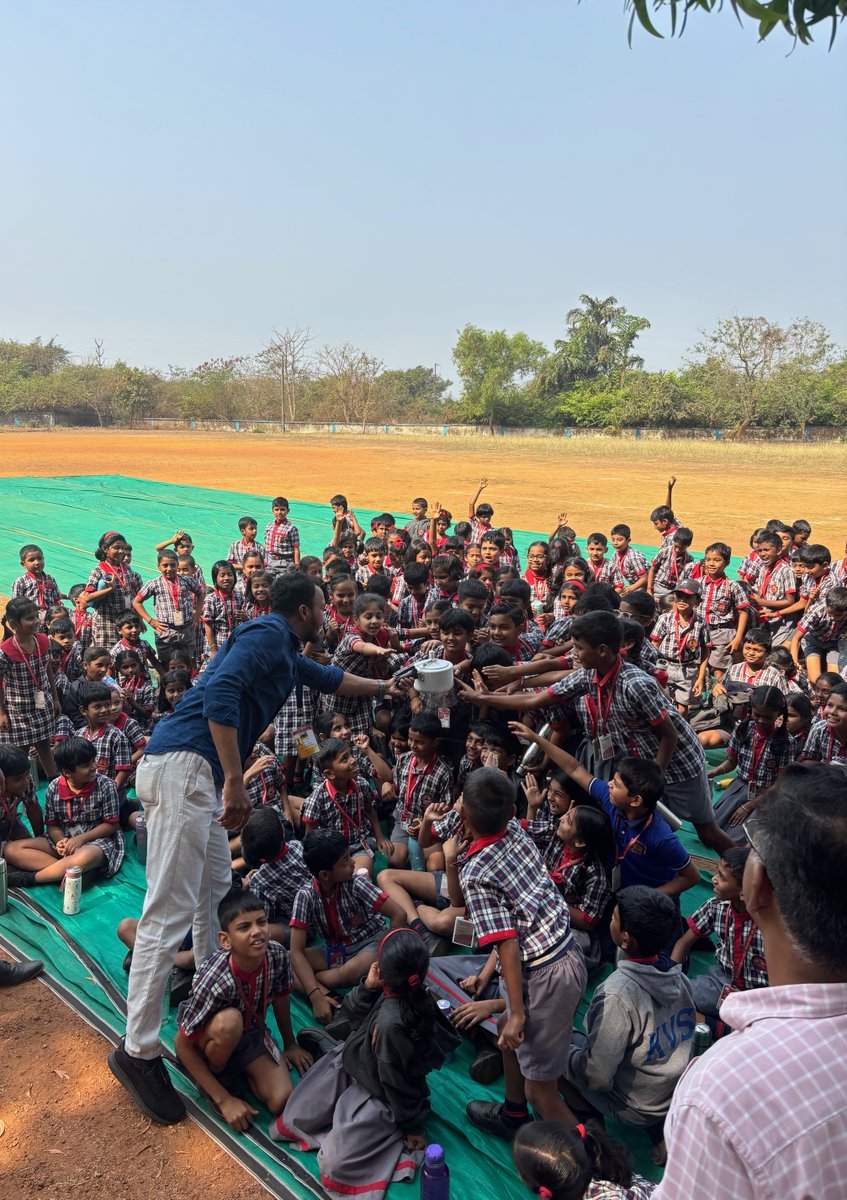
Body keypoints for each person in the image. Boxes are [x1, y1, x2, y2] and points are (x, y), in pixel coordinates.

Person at [108, 571, 403, 1126]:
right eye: (323, 605)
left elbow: (335, 680)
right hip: (187, 768)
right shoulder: (267, 633)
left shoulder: (288, 652)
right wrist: (235, 778)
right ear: (303, 610)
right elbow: (220, 694)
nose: (327, 613)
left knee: (215, 898)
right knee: (165, 914)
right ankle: (138, 1050)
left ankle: (208, 1002)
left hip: (193, 770)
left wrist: (392, 687)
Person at [654, 764, 847, 1199]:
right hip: (728, 984)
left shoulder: (721, 1092)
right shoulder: (720, 913)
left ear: (755, 886)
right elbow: (690, 934)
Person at [458, 611, 732, 854]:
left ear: (602, 650)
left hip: (676, 764)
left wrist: (652, 781)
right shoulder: (588, 675)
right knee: (637, 825)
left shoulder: (636, 684)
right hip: (639, 765)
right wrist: (484, 698)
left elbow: (669, 736)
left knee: (706, 831)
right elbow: (535, 700)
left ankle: (740, 868)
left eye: (578, 647)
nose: (573, 654)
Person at [270, 928, 459, 1200]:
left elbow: (396, 1081)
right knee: (294, 1118)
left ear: (382, 970)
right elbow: (354, 1016)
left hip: (379, 1092)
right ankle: (333, 1049)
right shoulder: (397, 992)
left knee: (335, 1166)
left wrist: (412, 1125)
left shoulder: (391, 1025)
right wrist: (367, 988)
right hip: (354, 1060)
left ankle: (353, 1110)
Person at [459, 768, 588, 1139]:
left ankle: (595, 1167)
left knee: (540, 1090)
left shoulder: (476, 873)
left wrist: (517, 1012)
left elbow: (507, 944)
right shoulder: (514, 827)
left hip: (543, 972)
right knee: (504, 1033)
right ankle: (513, 1116)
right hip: (564, 951)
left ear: (465, 814)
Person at [174, 888, 311, 1131]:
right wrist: (224, 1100)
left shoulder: (277, 955)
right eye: (244, 927)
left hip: (250, 1031)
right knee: (230, 1022)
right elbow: (182, 1044)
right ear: (225, 940)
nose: (257, 931)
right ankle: (216, 1077)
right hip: (210, 1032)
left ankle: (243, 1070)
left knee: (281, 1099)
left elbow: (281, 1000)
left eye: (261, 922)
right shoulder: (214, 979)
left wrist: (289, 1044)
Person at [564, 887, 695, 1137]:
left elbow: (598, 1078)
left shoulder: (616, 994)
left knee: (552, 1047)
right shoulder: (679, 977)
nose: (609, 920)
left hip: (635, 1108)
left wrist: (565, 1057)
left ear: (625, 940)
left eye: (613, 918)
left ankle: (589, 1125)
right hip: (672, 1095)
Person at [288, 830, 405, 1022]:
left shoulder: (356, 883)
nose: (352, 863)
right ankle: (329, 998)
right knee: (285, 961)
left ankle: (320, 988)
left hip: (370, 943)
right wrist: (315, 996)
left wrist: (387, 957)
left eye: (349, 856)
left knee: (349, 972)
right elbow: (296, 952)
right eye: (345, 861)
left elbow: (398, 913)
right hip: (337, 950)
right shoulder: (305, 896)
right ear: (324, 874)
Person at [671, 846, 767, 1032]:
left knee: (765, 1025)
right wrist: (672, 978)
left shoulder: (767, 924)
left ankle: (713, 1025)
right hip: (722, 981)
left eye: (722, 877)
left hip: (758, 995)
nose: (714, 879)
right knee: (684, 995)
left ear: (744, 890)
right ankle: (728, 1028)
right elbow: (684, 942)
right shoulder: (715, 907)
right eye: (717, 872)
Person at [5, 736, 123, 887]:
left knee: (85, 856)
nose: (94, 767)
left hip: (97, 840)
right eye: (87, 765)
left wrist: (80, 839)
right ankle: (73, 871)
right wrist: (60, 841)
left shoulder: (106, 785)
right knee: (11, 849)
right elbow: (53, 825)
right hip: (66, 838)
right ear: (67, 772)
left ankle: (31, 879)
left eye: (94, 760)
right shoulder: (54, 787)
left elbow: (110, 825)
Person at [709, 686, 794, 837]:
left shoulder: (786, 742)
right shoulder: (743, 729)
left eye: (768, 717)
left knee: (739, 838)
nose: (761, 720)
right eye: (757, 714)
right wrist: (716, 771)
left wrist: (748, 806)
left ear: (779, 714)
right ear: (751, 709)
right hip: (740, 786)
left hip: (767, 794)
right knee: (712, 830)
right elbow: (731, 761)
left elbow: (780, 784)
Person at [0, 596, 60, 779]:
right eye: (29, 618)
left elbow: (48, 669)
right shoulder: (5, 651)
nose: (36, 621)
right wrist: (1, 712)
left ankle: (54, 786)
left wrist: (55, 698)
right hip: (18, 711)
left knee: (44, 746)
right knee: (18, 753)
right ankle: (20, 793)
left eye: (36, 616)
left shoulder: (43, 641)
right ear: (13, 624)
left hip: (42, 705)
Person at [11, 543, 63, 624]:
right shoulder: (21, 581)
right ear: (23, 564)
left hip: (50, 619)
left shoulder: (50, 579)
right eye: (31, 560)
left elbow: (57, 600)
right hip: (31, 618)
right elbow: (15, 604)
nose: (37, 562)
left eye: (40, 558)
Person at [264, 496, 301, 572]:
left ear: (288, 511)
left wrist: (297, 565)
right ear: (272, 510)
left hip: (285, 562)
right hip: (269, 561)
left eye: (282, 509)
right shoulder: (269, 526)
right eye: (276, 510)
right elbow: (265, 544)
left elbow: (296, 548)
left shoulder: (291, 528)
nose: (279, 512)